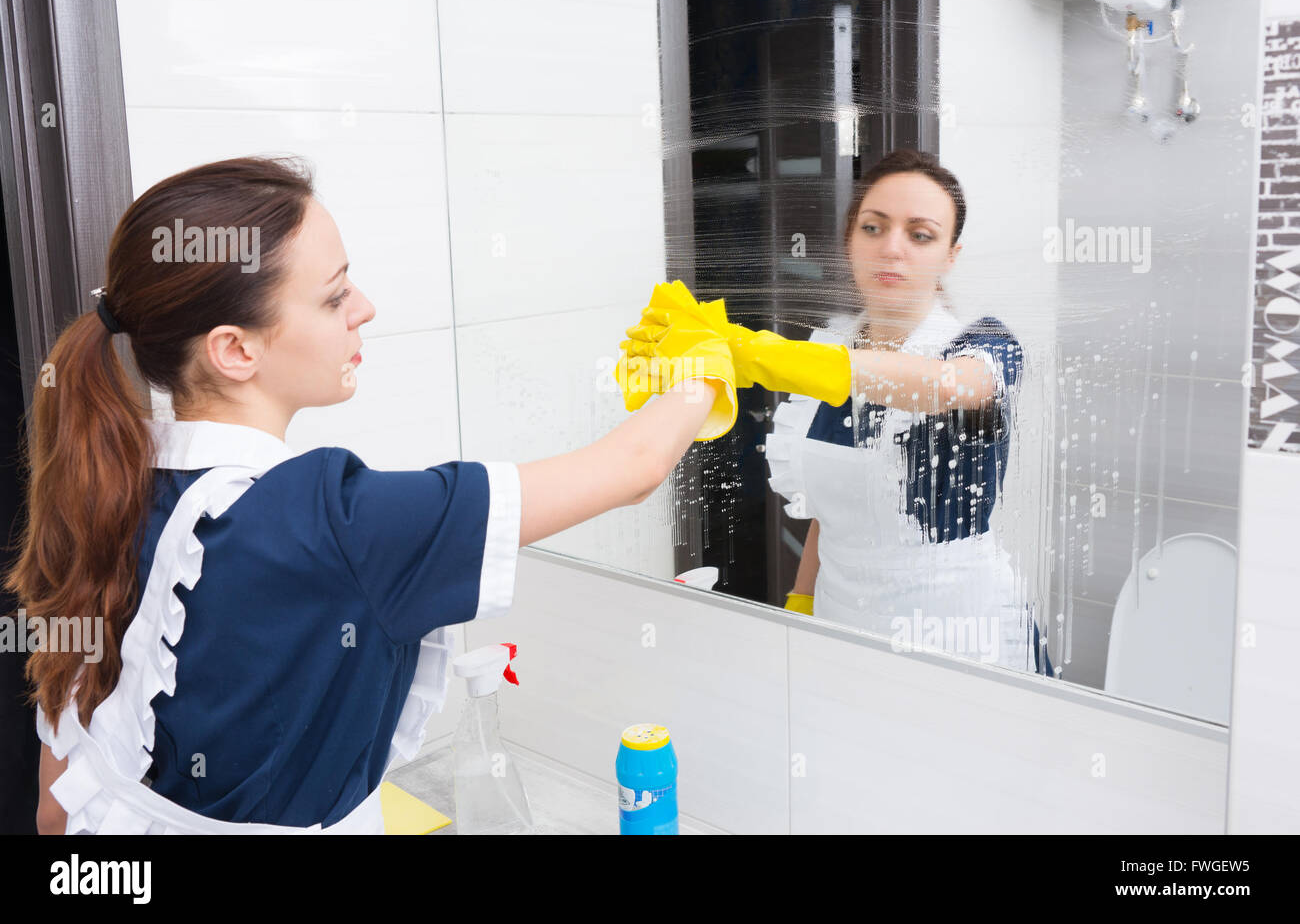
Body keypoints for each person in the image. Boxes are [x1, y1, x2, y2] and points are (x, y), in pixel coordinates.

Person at [10, 155, 736, 834]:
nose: (366, 307)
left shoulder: (106, 493)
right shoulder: (340, 525)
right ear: (236, 350)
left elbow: (54, 808)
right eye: (333, 297)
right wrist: (711, 357)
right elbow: (635, 465)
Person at [618, 149, 1053, 676]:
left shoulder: (983, 343)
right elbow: (835, 514)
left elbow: (947, 388)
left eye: (921, 235)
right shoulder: (833, 342)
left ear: (950, 255)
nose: (892, 248)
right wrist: (800, 606)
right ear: (850, 240)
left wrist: (760, 355)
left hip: (956, 627)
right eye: (874, 227)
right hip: (841, 616)